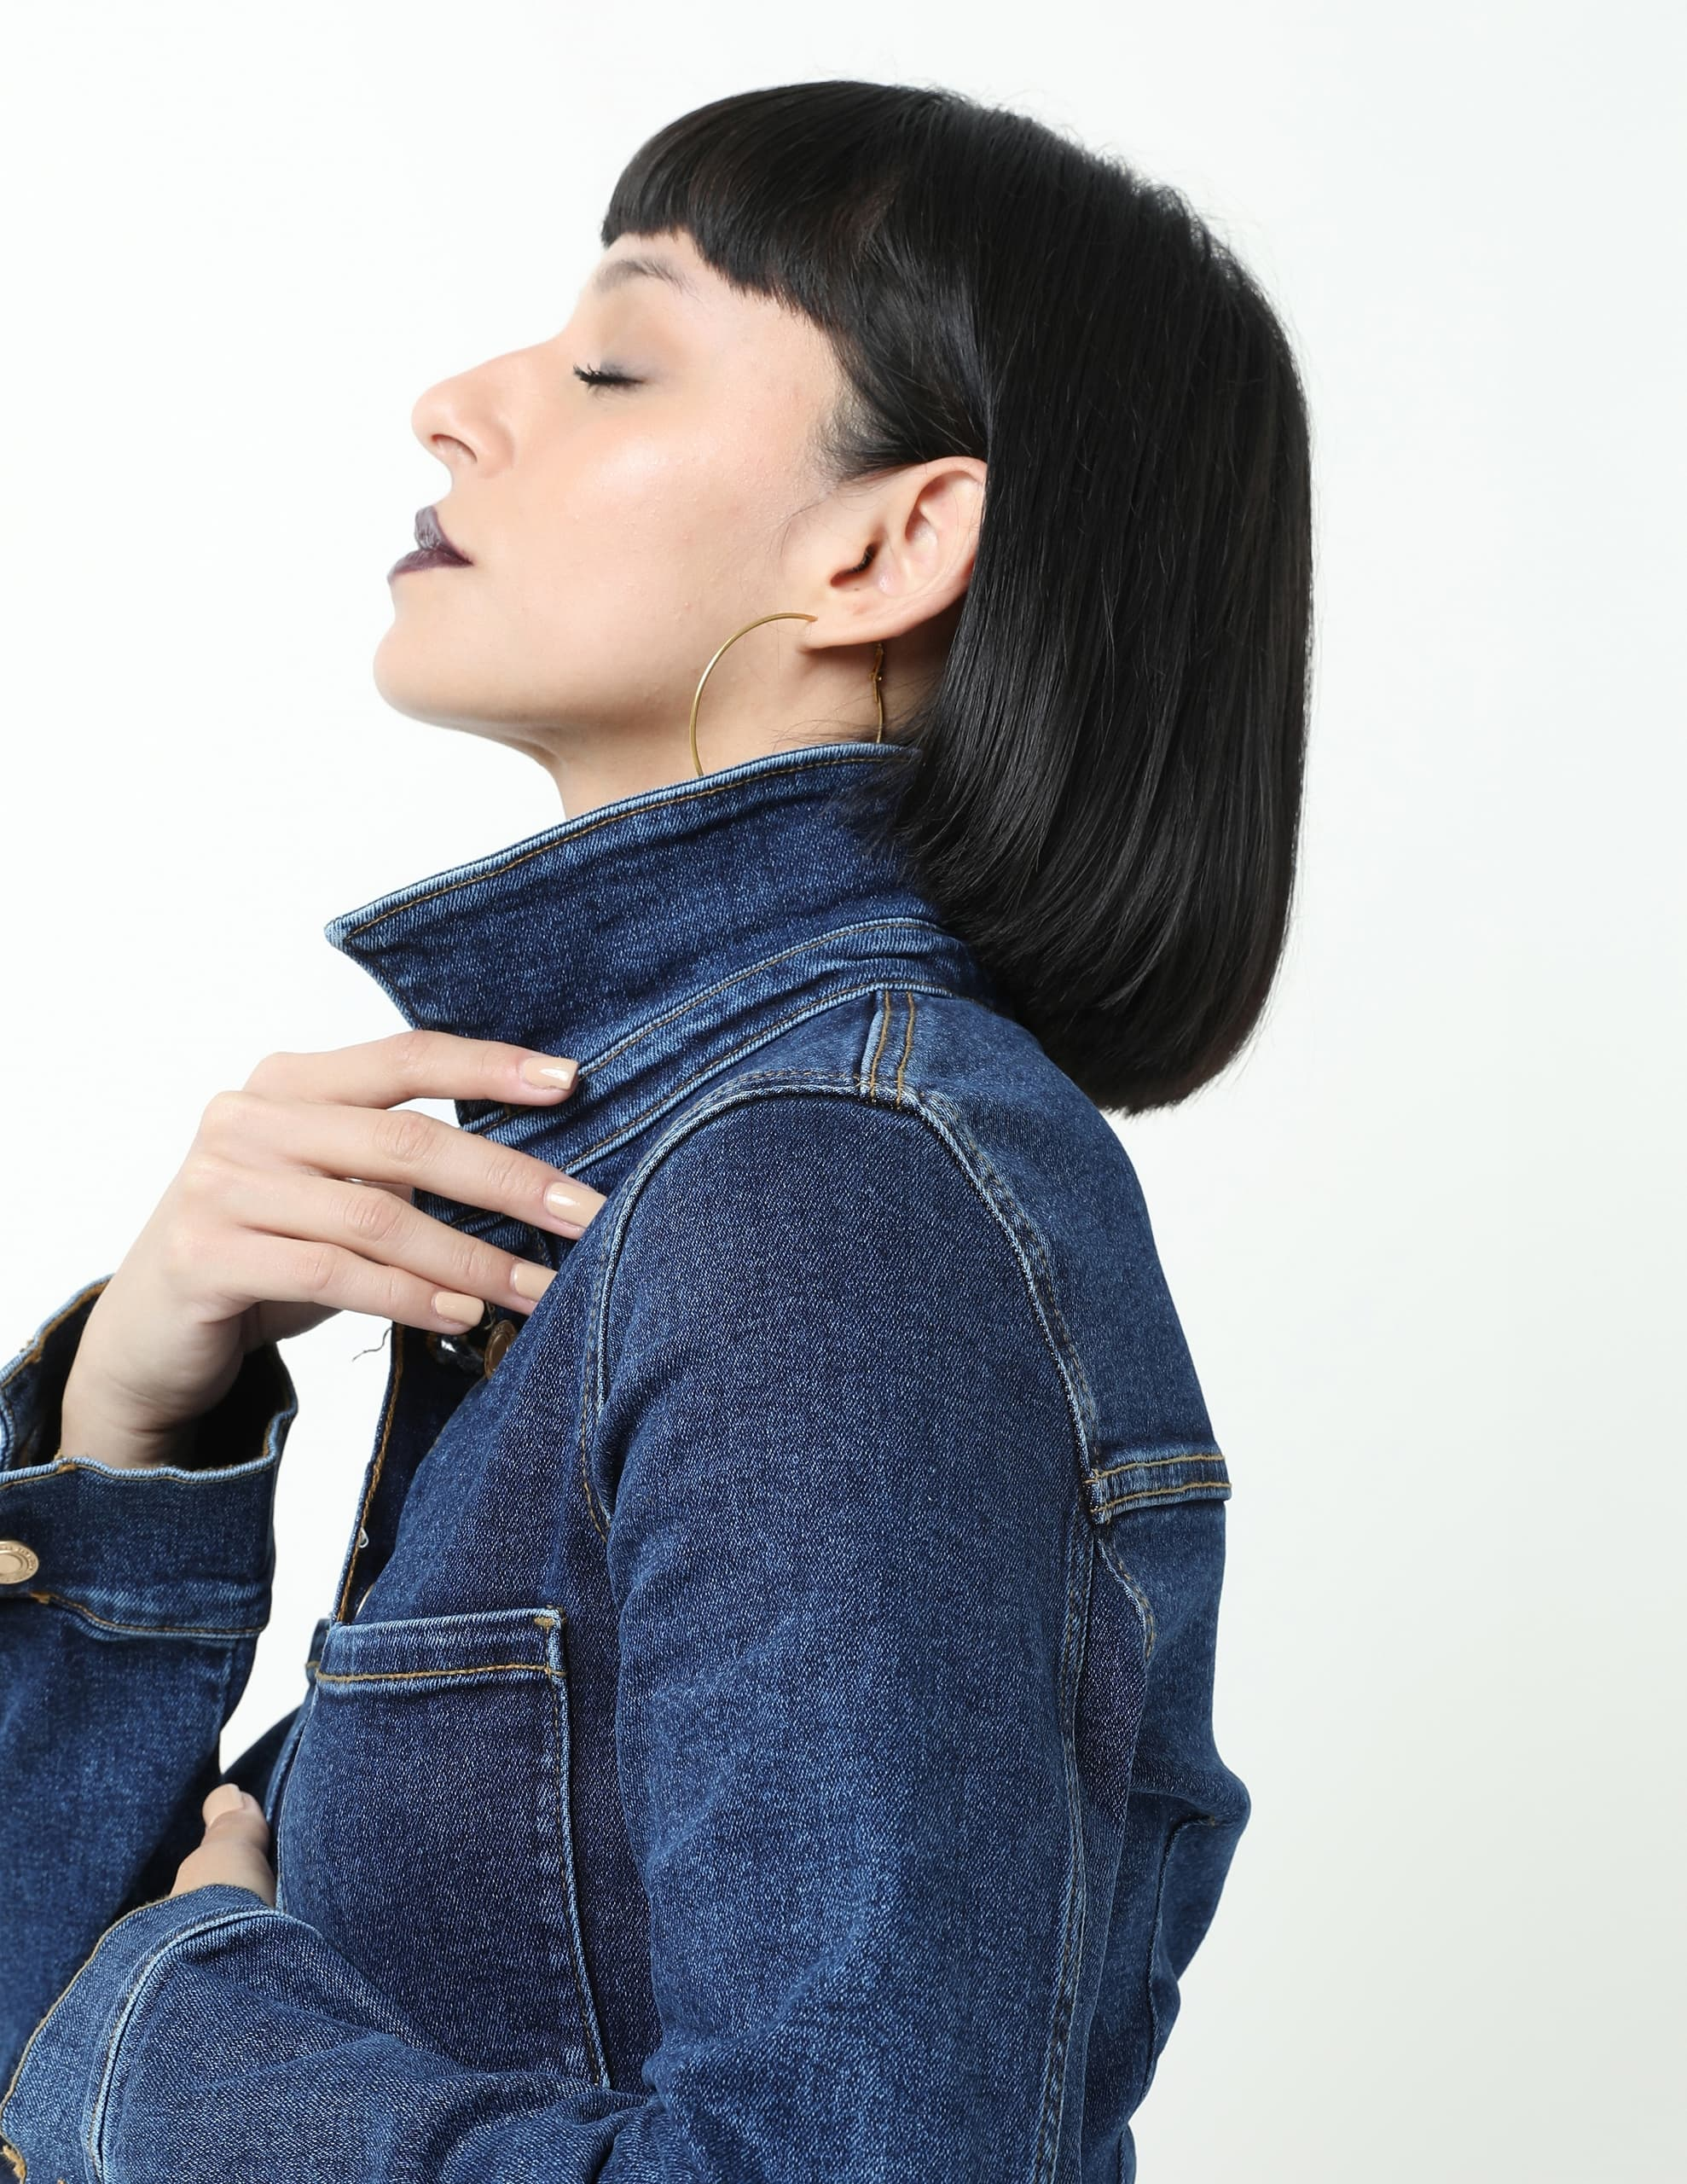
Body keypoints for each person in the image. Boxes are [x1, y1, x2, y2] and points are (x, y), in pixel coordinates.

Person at [0, 77, 1310, 2184]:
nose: (453, 401)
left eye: (616, 359)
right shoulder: (661, 1172)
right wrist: (133, 1436)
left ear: (885, 540)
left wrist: (181, 2028)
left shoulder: (831, 1188)